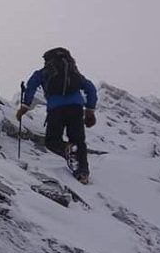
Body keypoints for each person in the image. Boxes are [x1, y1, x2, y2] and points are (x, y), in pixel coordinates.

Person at [15, 47, 98, 183]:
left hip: (55, 109)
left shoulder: (43, 73)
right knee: (79, 141)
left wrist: (24, 106)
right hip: (76, 108)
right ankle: (83, 173)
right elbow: (90, 88)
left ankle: (66, 148)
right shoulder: (74, 73)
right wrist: (90, 110)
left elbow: (31, 86)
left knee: (52, 141)